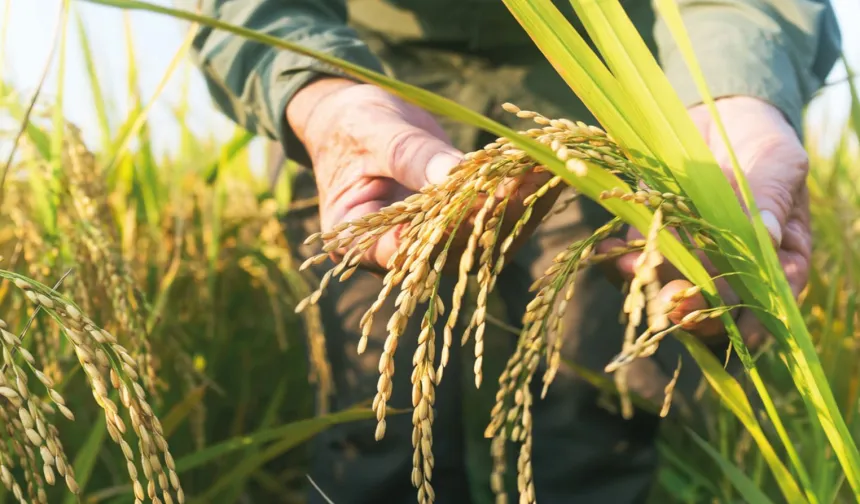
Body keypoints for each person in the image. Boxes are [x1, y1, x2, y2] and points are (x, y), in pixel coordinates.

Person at [181, 0, 841, 502]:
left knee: (591, 420)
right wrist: (318, 94)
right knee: (372, 423)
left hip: (596, 93)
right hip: (365, 85)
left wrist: (736, 98)